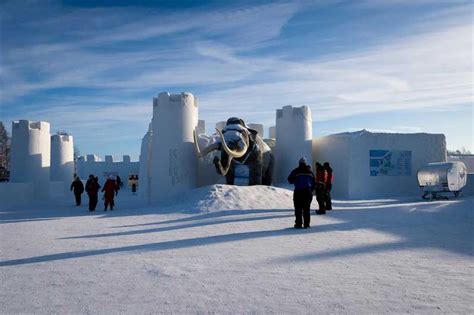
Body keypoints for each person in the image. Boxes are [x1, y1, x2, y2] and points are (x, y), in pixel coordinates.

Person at [288, 157, 315, 229]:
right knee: (307, 209)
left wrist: (296, 180)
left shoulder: (296, 171)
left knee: (298, 208)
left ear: (299, 163)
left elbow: (290, 180)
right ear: (306, 163)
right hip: (308, 192)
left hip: (298, 192)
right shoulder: (310, 172)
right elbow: (314, 183)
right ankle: (307, 224)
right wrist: (310, 190)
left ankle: (298, 224)